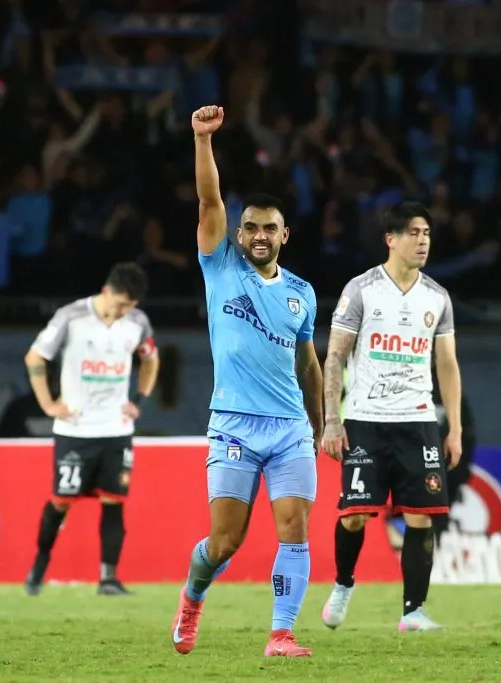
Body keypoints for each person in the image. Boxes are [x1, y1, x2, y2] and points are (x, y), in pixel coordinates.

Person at [169, 105, 324, 659]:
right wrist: (202, 140)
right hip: (233, 423)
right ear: (239, 232)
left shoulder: (302, 292)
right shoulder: (221, 266)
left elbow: (309, 364)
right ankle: (192, 598)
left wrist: (321, 424)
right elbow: (209, 199)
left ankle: (281, 633)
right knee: (225, 541)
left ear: (286, 233)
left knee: (294, 526)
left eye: (269, 228)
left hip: (289, 429)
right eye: (251, 227)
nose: (260, 235)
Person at [319, 201, 463, 632]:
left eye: (427, 234)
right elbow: (335, 357)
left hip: (417, 421)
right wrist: (331, 419)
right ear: (391, 239)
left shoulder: (437, 297)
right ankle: (344, 583)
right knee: (356, 515)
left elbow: (448, 366)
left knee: (422, 516)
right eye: (414, 233)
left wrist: (453, 427)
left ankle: (412, 611)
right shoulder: (362, 290)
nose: (423, 241)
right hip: (365, 419)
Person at [23, 262, 160, 596]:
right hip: (76, 428)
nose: (125, 311)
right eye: (121, 304)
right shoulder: (71, 317)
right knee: (61, 500)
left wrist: (138, 401)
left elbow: (151, 359)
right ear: (106, 291)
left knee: (114, 501)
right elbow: (35, 357)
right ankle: (39, 567)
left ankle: (108, 578)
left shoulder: (137, 322)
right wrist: (47, 404)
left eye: (131, 306)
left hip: (117, 428)